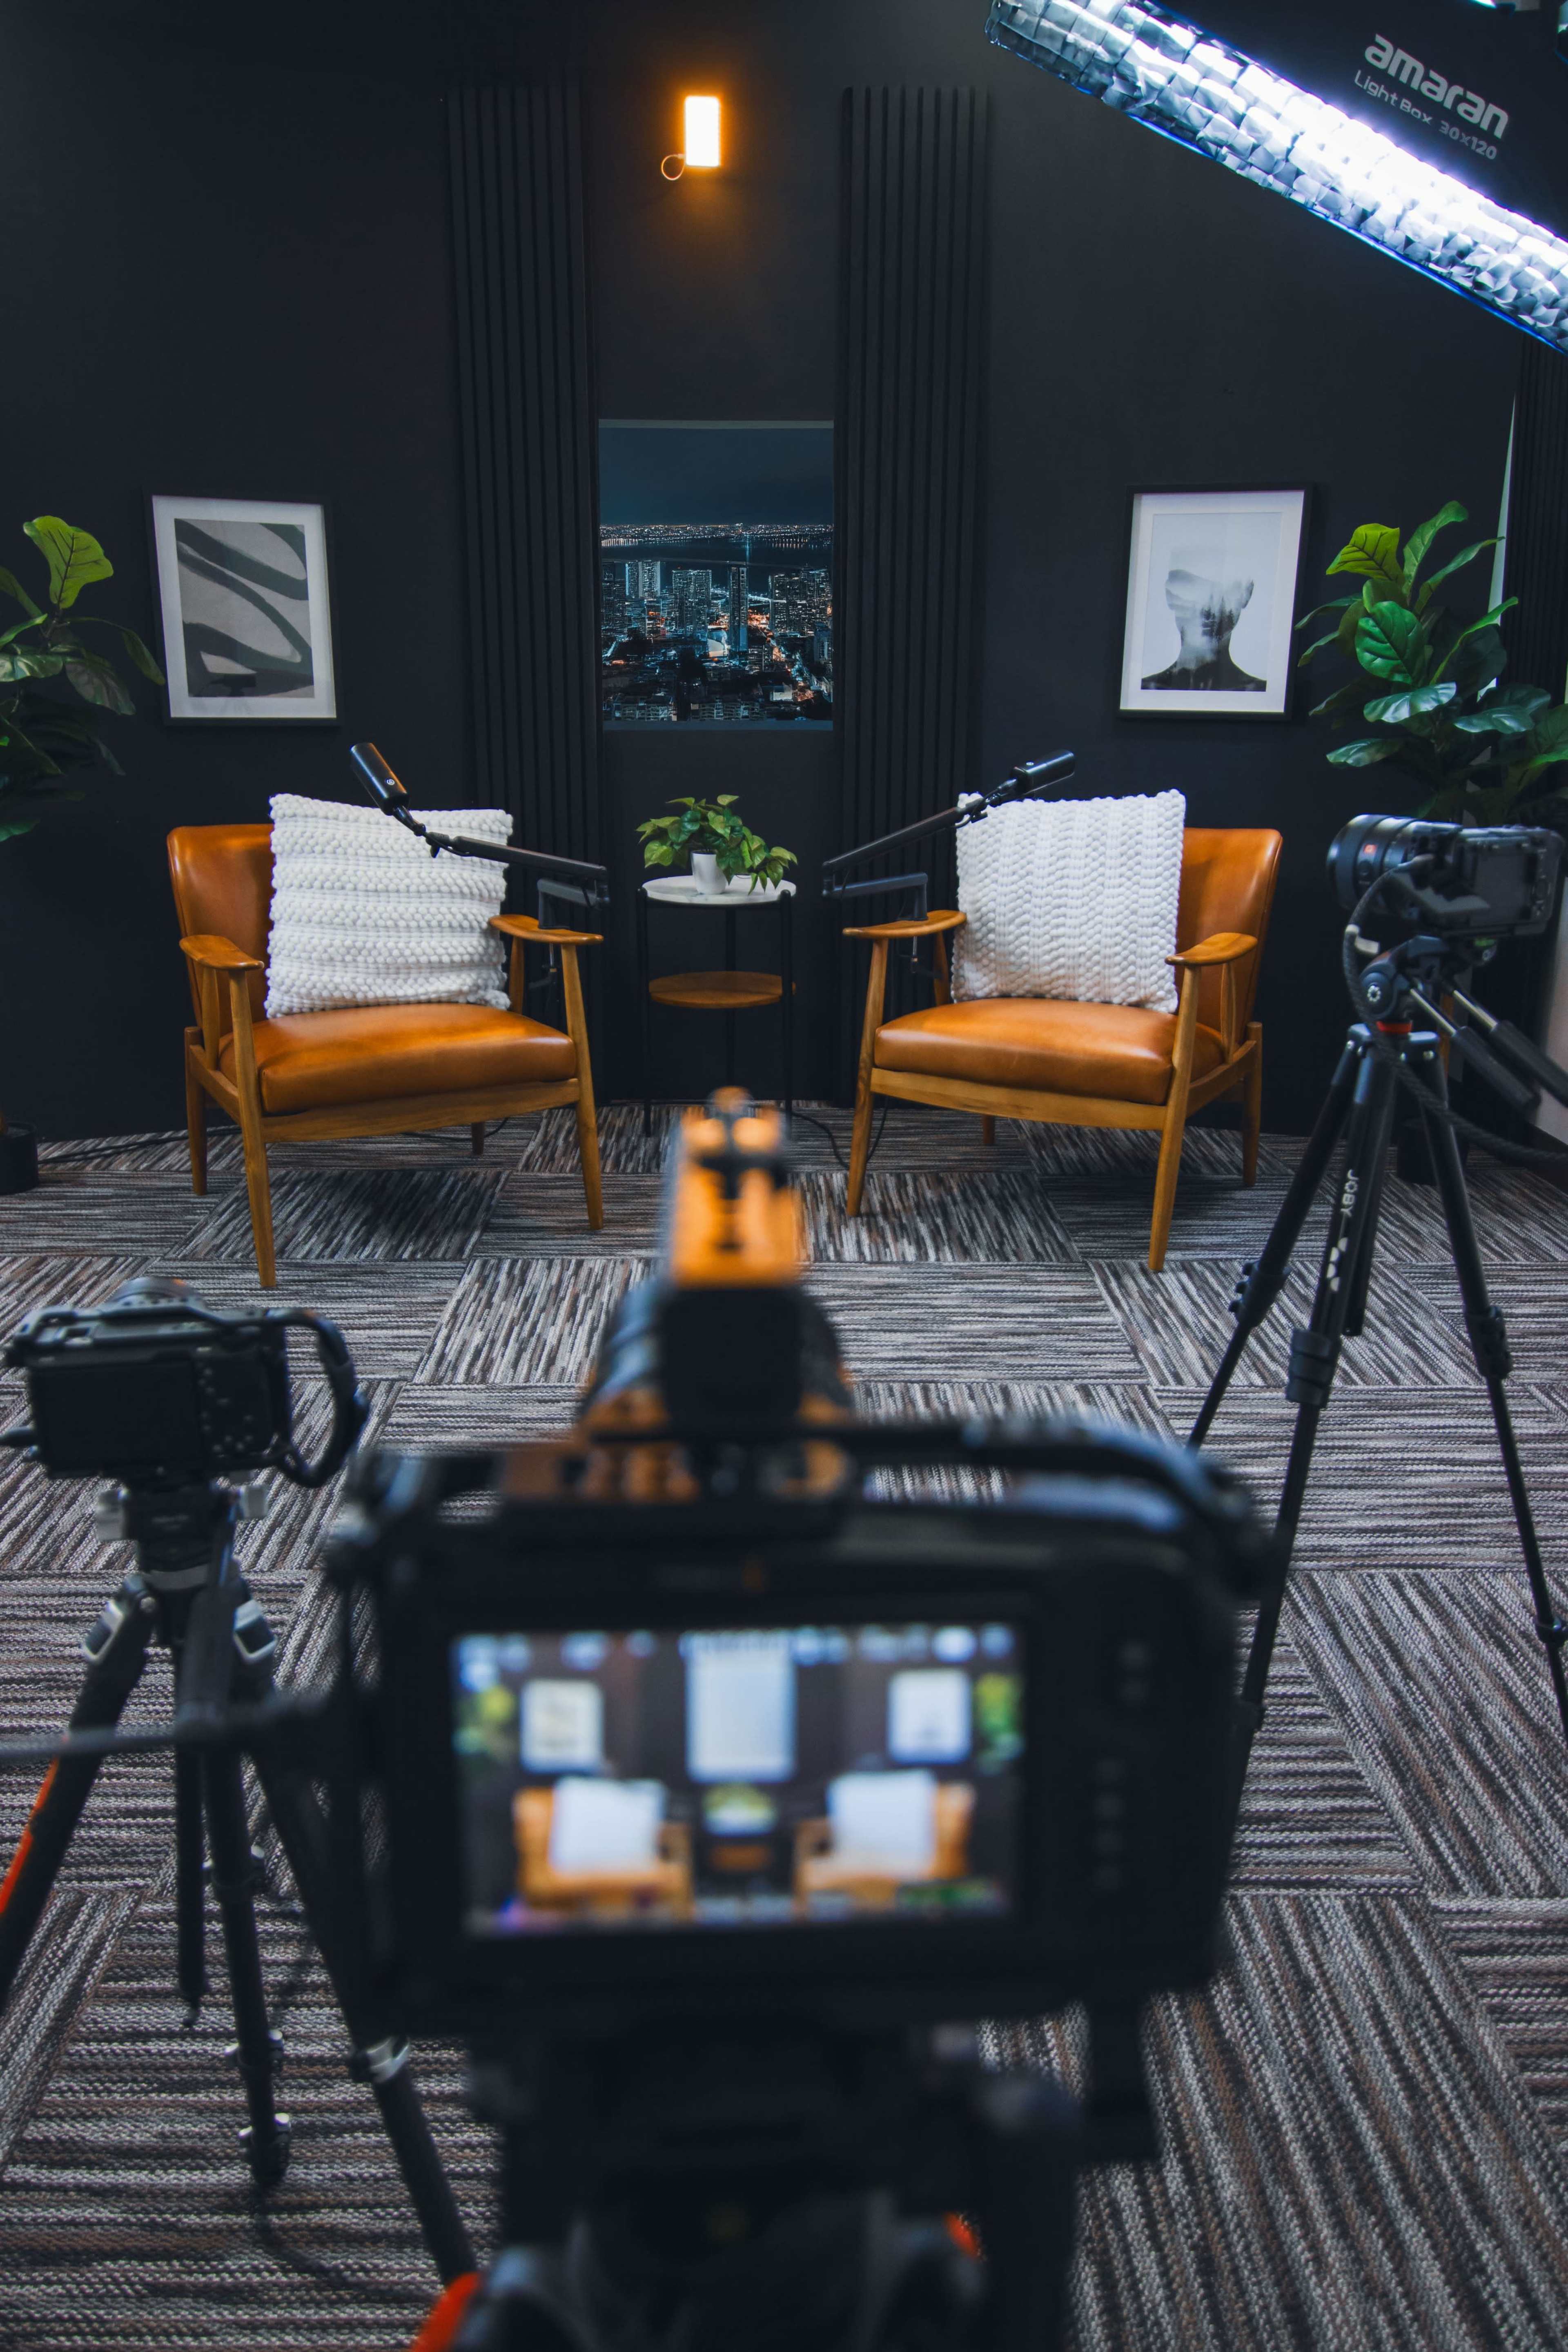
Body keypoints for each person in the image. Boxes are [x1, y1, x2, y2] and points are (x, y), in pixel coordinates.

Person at [1142, 546, 1267, 691]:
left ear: (1247, 594)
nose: (1207, 609)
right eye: (1192, 587)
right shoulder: (1144, 692)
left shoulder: (1261, 694)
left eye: (1224, 591)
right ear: (1169, 594)